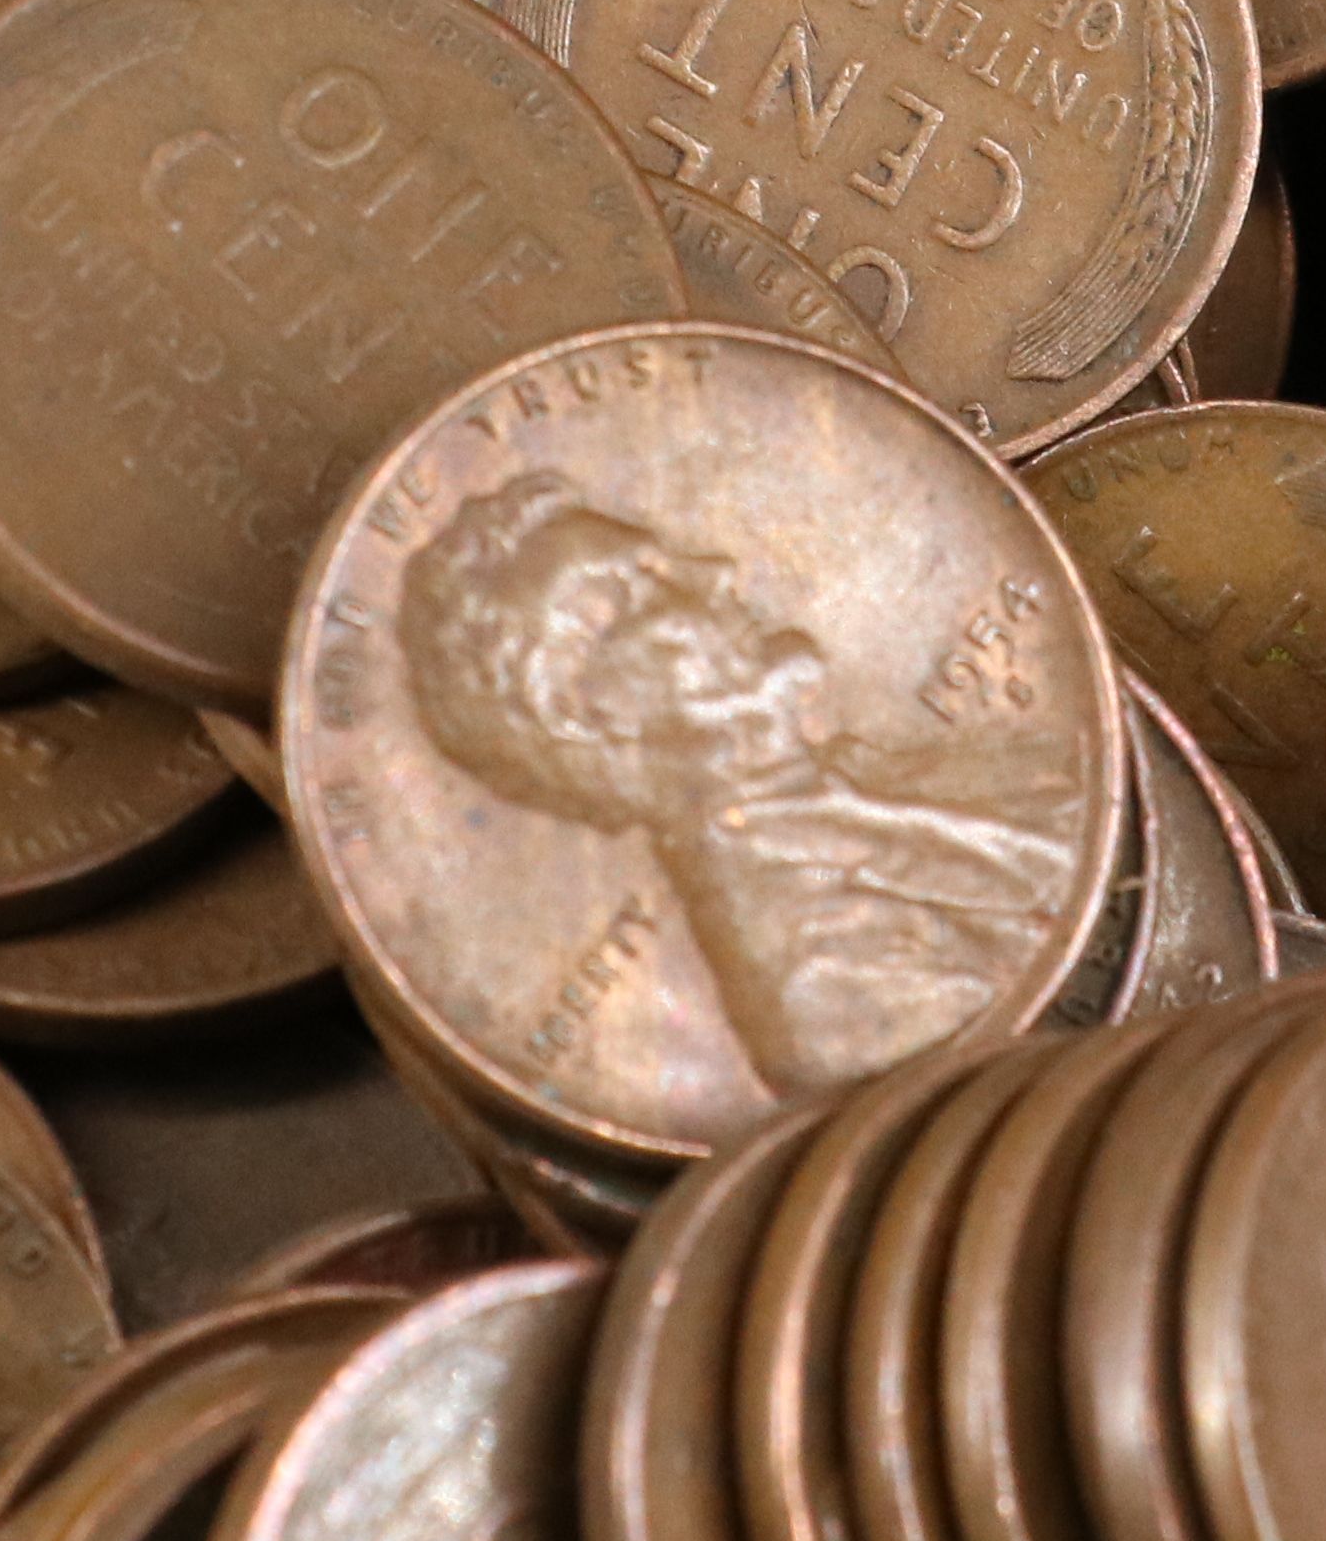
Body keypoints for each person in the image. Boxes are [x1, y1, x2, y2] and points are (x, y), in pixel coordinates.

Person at [399, 468, 1094, 1100]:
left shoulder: (911, 770)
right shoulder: (824, 991)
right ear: (581, 711)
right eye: (642, 590)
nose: (717, 571)